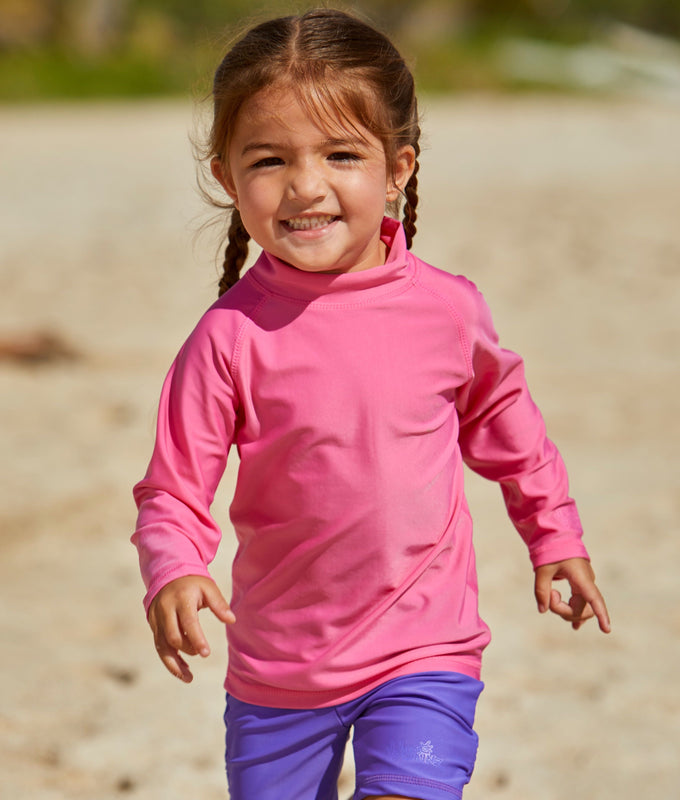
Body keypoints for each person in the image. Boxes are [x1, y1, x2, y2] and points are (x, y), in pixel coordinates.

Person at [130, 8, 611, 800]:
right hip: (282, 666)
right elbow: (174, 491)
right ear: (227, 176)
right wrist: (173, 572)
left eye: (342, 155)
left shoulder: (447, 311)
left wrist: (554, 534)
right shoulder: (228, 339)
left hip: (426, 648)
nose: (306, 186)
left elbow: (508, 430)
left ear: (398, 169)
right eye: (270, 160)